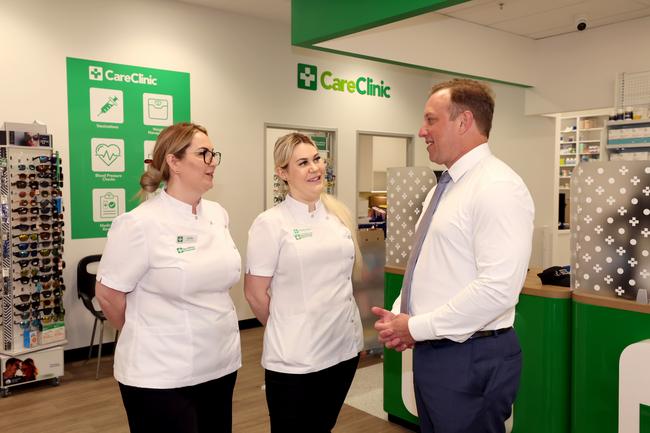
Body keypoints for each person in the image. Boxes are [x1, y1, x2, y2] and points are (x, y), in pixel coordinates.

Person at [372, 78, 534, 433]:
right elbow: (432, 264)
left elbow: (497, 289)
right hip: (439, 352)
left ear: (463, 122)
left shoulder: (497, 187)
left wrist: (414, 327)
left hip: (471, 358)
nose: (421, 130)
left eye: (431, 120)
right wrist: (402, 313)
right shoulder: (443, 188)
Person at [95, 122, 241, 433]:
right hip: (160, 375)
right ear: (173, 162)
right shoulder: (139, 224)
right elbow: (108, 295)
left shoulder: (217, 214)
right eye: (203, 153)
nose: (212, 161)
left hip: (220, 364)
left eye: (213, 154)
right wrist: (148, 333)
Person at [245, 132, 364, 433]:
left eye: (316, 159)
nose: (314, 168)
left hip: (342, 352)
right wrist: (287, 325)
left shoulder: (339, 217)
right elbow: (255, 294)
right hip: (296, 360)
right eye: (302, 162)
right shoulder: (271, 224)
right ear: (282, 172)